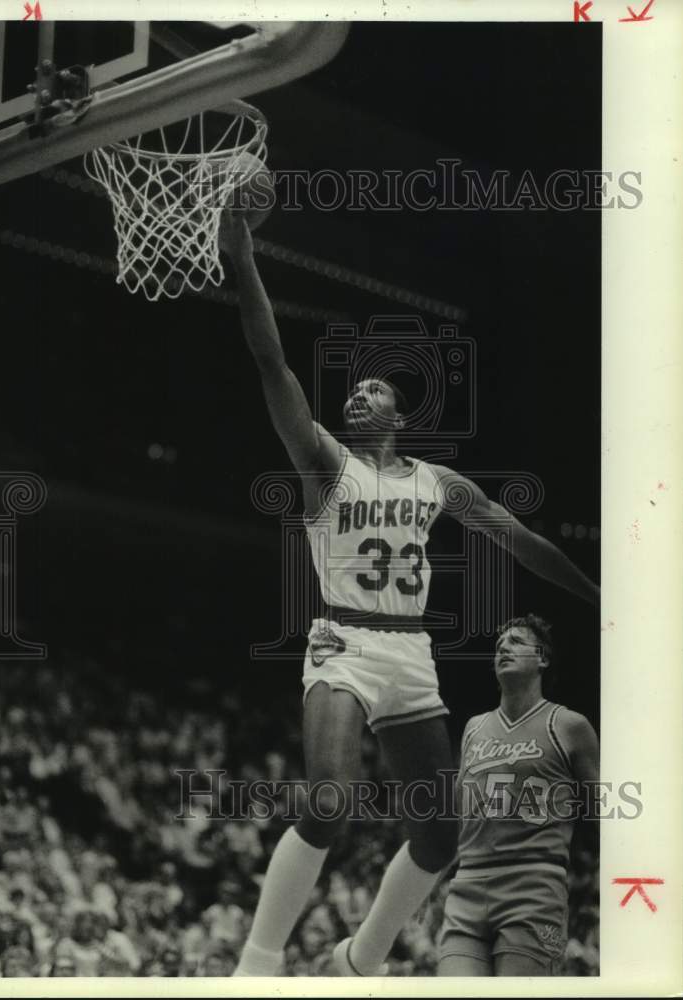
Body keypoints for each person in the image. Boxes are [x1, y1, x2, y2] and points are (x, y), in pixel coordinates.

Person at [219, 214, 599, 978]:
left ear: (398, 414)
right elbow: (270, 361)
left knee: (440, 837)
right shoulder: (324, 461)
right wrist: (240, 254)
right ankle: (256, 964)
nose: (359, 393)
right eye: (352, 388)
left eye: (375, 387)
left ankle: (360, 956)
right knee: (330, 801)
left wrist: (598, 596)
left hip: (410, 653)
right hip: (343, 643)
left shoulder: (436, 482)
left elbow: (520, 540)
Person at [438, 614, 599, 976]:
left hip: (533, 885)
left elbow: (603, 812)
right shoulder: (473, 728)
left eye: (515, 641)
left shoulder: (569, 725)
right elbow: (460, 816)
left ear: (542, 658)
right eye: (498, 645)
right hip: (467, 884)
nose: (503, 648)